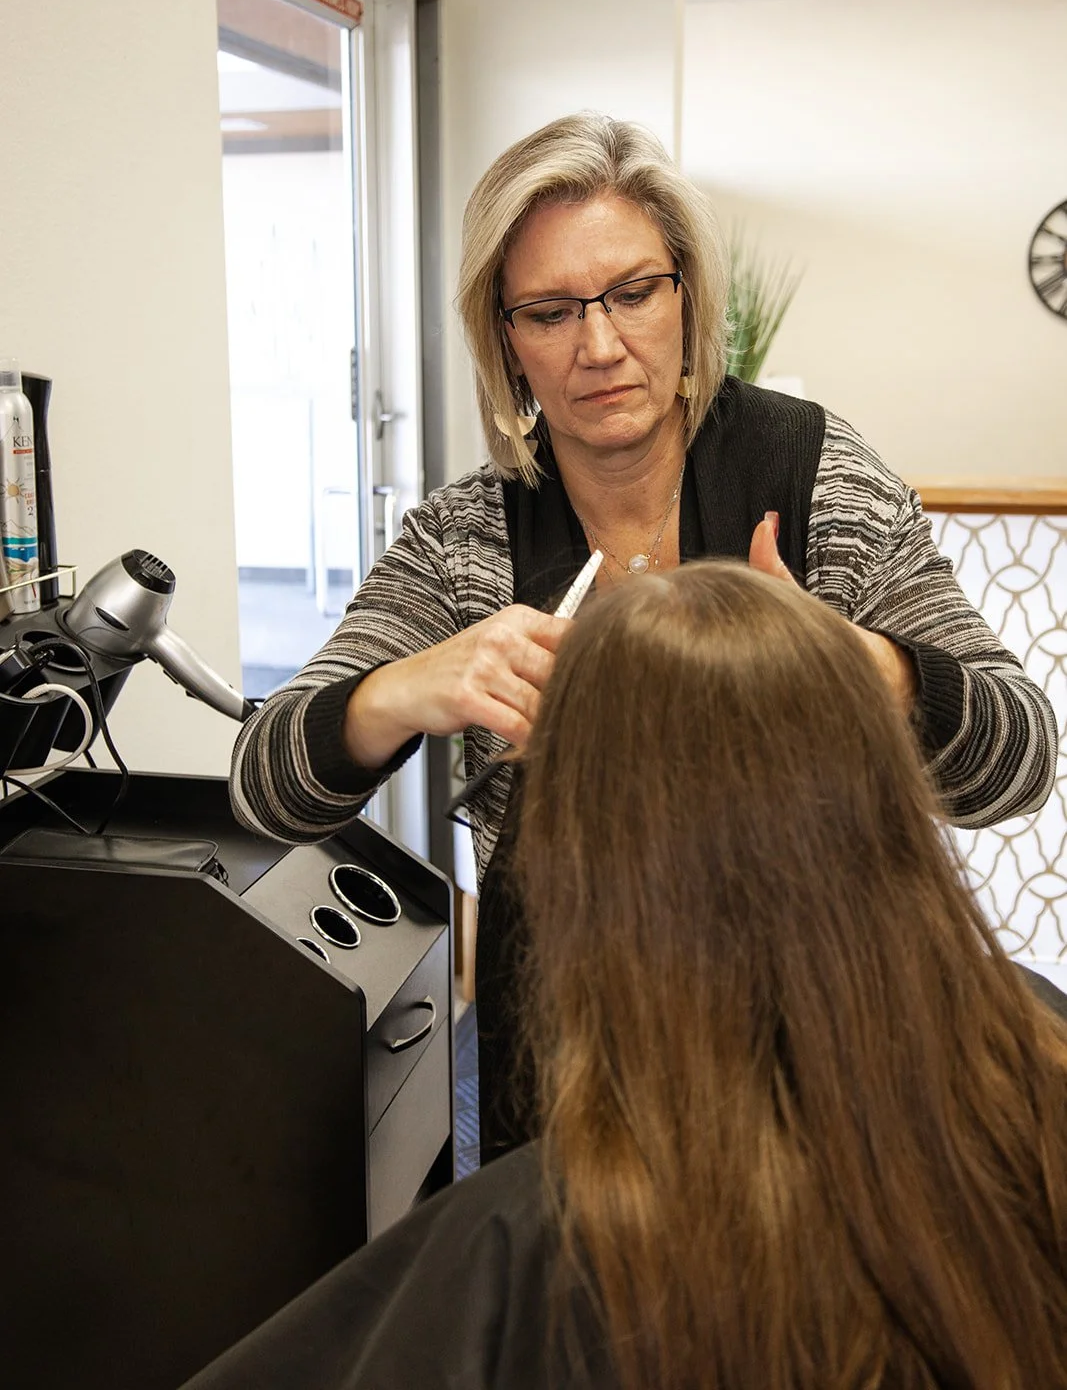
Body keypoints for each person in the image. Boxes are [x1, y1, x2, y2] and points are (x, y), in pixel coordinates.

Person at [228, 112, 1056, 1147]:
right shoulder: (463, 540)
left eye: (632, 293)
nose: (600, 345)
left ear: (685, 297)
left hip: (827, 1050)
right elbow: (264, 788)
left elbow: (1016, 763)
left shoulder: (813, 480)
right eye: (549, 312)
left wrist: (860, 669)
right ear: (504, 339)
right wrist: (403, 689)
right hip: (570, 1066)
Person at [187, 564, 1067, 1390]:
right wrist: (385, 691)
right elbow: (270, 777)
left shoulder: (529, 1244)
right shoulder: (1038, 1054)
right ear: (882, 801)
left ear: (584, 856)